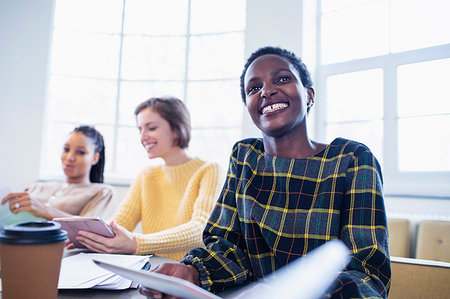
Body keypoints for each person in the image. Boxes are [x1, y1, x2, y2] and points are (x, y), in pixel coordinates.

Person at [139, 47, 391, 298]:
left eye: (282, 78)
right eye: (253, 88)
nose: (267, 91)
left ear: (309, 94)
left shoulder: (353, 160)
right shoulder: (245, 156)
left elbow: (367, 272)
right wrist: (192, 272)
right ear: (249, 106)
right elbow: (227, 247)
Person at [72, 96, 222, 261]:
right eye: (140, 129)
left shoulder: (209, 170)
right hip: (151, 267)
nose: (143, 137)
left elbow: (202, 228)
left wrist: (137, 243)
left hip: (190, 269)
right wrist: (86, 236)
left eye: (151, 128)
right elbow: (119, 222)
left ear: (176, 127)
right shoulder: (147, 175)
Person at [1, 125, 114, 220]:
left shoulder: (102, 192)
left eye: (80, 152)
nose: (69, 157)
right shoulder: (35, 188)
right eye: (66, 149)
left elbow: (92, 230)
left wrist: (45, 211)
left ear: (95, 158)